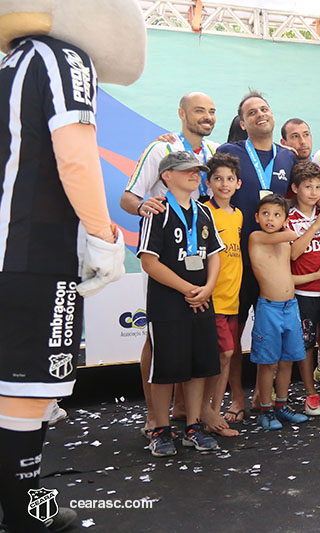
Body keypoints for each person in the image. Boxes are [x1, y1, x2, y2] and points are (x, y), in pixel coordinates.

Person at [0, 3, 140, 530]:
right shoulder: (63, 58)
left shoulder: (10, 67)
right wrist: (104, 236)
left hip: (12, 252)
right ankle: (26, 511)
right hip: (32, 254)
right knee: (27, 387)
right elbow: (76, 154)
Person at [122, 91, 219, 437]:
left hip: (202, 255)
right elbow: (128, 197)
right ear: (181, 113)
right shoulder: (160, 148)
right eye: (199, 111)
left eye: (211, 111)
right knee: (158, 344)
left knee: (197, 350)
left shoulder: (212, 151)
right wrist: (145, 208)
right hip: (167, 260)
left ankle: (190, 415)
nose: (206, 116)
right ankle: (155, 418)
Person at [137, 151, 225, 457]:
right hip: (168, 303)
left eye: (197, 170)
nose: (195, 174)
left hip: (201, 299)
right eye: (186, 170)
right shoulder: (156, 211)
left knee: (199, 366)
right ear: (167, 176)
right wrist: (189, 288)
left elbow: (214, 254)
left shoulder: (204, 211)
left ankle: (193, 426)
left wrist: (209, 287)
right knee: (166, 368)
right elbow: (149, 261)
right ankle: (160, 429)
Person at [216, 90, 297, 420]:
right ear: (242, 122)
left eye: (265, 108)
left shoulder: (288, 157)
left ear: (273, 115)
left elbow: (302, 192)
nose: (260, 114)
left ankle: (266, 400)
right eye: (252, 112)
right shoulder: (228, 152)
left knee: (273, 336)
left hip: (274, 266)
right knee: (233, 336)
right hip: (237, 261)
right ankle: (236, 397)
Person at [249, 194, 320, 430]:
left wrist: (315, 276)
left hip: (290, 306)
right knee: (267, 363)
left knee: (286, 361)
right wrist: (316, 221)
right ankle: (266, 408)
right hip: (269, 308)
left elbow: (286, 277)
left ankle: (281, 406)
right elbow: (293, 234)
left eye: (276, 214)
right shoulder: (257, 237)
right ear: (257, 217)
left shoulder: (282, 242)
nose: (270, 219)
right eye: (266, 214)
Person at [203, 153, 243, 435]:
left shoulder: (238, 214)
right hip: (213, 300)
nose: (224, 184)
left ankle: (214, 411)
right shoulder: (204, 212)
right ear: (208, 183)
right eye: (218, 178)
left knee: (226, 356)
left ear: (238, 183)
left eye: (229, 179)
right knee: (224, 353)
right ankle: (209, 413)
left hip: (233, 300)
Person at [287, 162, 320, 413]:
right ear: (295, 188)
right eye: (307, 187)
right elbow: (292, 254)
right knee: (306, 343)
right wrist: (314, 226)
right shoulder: (290, 218)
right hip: (304, 293)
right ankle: (310, 392)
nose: (314, 192)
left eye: (318, 186)